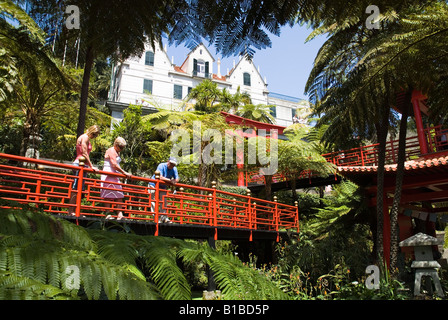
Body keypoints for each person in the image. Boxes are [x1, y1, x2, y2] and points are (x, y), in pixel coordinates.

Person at [68, 125, 100, 216]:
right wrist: (91, 166)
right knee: (76, 188)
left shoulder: (83, 137)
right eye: (94, 134)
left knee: (79, 188)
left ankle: (74, 211)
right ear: (91, 131)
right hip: (80, 164)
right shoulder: (85, 137)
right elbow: (84, 152)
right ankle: (71, 211)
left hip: (81, 164)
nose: (94, 137)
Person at [101, 137, 131, 220]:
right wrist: (124, 172)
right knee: (107, 193)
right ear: (116, 144)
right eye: (120, 147)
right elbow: (114, 164)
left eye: (123, 148)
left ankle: (119, 214)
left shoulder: (117, 151)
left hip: (115, 175)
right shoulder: (111, 150)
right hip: (108, 174)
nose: (121, 149)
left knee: (119, 194)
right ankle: (107, 213)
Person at [148, 157, 179, 223]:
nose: (172, 166)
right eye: (171, 164)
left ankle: (164, 218)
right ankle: (156, 218)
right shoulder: (161, 165)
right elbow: (160, 177)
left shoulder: (174, 169)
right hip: (153, 184)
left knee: (164, 202)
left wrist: (174, 181)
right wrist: (170, 181)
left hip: (162, 186)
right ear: (168, 161)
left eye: (173, 165)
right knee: (154, 201)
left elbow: (177, 179)